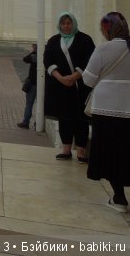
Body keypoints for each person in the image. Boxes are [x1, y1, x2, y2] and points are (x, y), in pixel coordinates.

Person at [83, 13, 130, 212]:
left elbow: (88, 79)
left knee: (110, 152)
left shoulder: (104, 48)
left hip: (107, 110)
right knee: (129, 150)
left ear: (107, 30)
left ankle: (119, 198)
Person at [43, 11, 95, 162]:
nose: (66, 26)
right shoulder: (53, 41)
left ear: (74, 23)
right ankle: (66, 149)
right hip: (60, 87)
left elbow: (90, 60)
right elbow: (47, 60)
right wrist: (61, 78)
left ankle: (80, 151)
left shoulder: (85, 40)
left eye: (69, 23)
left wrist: (73, 77)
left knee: (81, 119)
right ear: (59, 24)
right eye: (63, 23)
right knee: (64, 117)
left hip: (79, 87)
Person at [17, 44, 37, 128]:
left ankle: (26, 122)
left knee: (29, 104)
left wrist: (34, 51)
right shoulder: (45, 57)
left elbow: (25, 59)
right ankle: (38, 123)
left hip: (32, 83)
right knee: (42, 105)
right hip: (42, 84)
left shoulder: (34, 56)